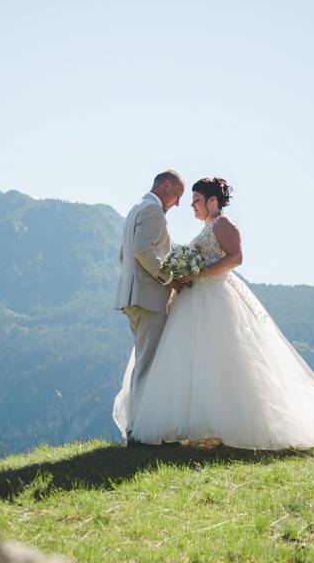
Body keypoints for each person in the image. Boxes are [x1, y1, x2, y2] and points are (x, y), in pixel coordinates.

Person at [113, 177, 314, 449]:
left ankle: (228, 423)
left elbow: (235, 257)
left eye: (196, 200)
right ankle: (190, 425)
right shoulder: (204, 227)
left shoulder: (224, 225)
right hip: (193, 299)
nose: (190, 205)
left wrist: (198, 272)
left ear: (213, 201)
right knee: (193, 361)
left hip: (215, 296)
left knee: (223, 359)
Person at [114, 170, 184, 446]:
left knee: (143, 360)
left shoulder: (136, 208)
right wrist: (169, 277)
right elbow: (143, 251)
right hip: (148, 297)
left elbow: (124, 254)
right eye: (177, 195)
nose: (177, 203)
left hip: (133, 296)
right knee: (147, 364)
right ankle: (139, 430)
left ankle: (139, 426)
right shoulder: (153, 210)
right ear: (166, 186)